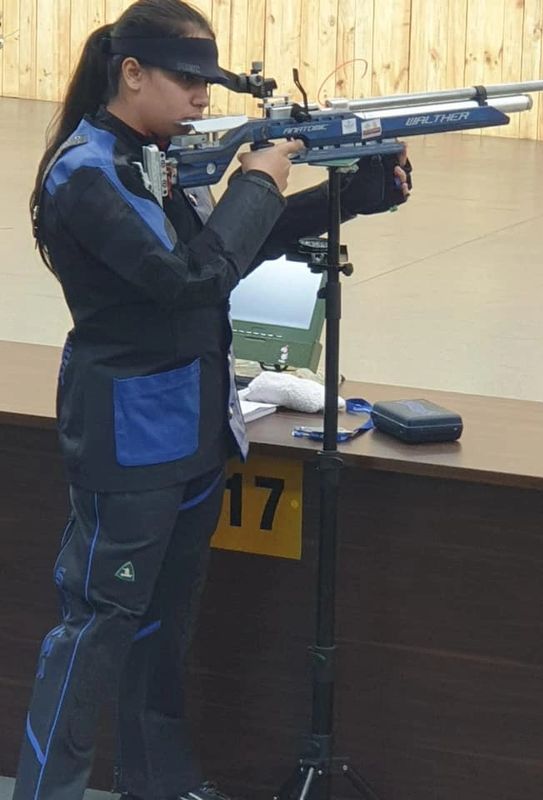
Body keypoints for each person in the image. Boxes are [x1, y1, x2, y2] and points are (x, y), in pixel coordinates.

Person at [13, 1, 412, 799]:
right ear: (131, 74)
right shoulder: (85, 173)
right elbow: (187, 279)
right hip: (129, 441)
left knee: (164, 629)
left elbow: (229, 247)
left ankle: (158, 783)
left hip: (195, 427)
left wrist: (353, 194)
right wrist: (258, 181)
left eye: (209, 82)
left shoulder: (158, 157)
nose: (204, 96)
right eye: (188, 79)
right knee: (97, 629)